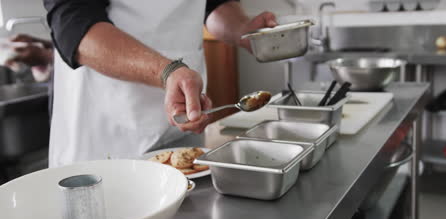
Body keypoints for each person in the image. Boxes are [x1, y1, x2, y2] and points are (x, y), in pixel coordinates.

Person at [43, 0, 277, 167]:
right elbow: (73, 28)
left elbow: (212, 4)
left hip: (182, 125)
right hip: (105, 133)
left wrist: (242, 29)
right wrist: (167, 71)